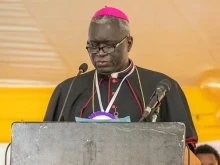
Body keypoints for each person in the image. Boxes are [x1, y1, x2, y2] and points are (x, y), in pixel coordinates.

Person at [44, 6, 198, 151]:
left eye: (109, 45)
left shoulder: (162, 87)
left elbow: (184, 153)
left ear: (129, 43)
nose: (100, 53)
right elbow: (46, 145)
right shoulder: (68, 90)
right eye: (93, 46)